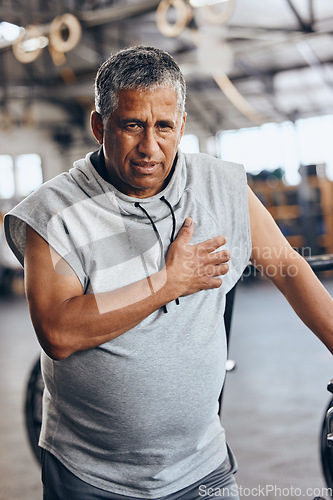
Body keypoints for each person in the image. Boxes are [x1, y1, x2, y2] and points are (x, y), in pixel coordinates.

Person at [4, 46, 333, 500]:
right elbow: (58, 332)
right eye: (132, 125)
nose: (149, 147)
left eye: (163, 127)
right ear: (101, 126)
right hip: (92, 478)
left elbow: (291, 269)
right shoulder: (54, 213)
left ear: (181, 124)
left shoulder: (221, 187)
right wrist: (168, 283)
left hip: (202, 466)